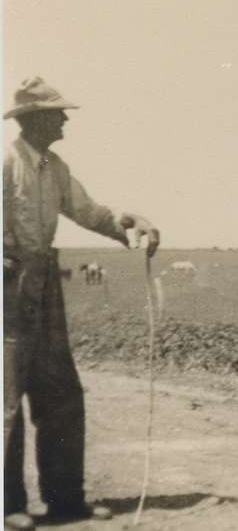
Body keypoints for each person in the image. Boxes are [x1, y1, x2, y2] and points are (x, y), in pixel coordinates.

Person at [3, 78, 161, 530]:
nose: (66, 119)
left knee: (61, 393)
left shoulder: (55, 167)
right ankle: (7, 503)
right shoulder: (5, 162)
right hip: (7, 284)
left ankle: (65, 499)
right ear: (35, 120)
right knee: (7, 398)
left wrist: (128, 223)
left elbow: (88, 210)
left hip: (46, 281)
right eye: (57, 113)